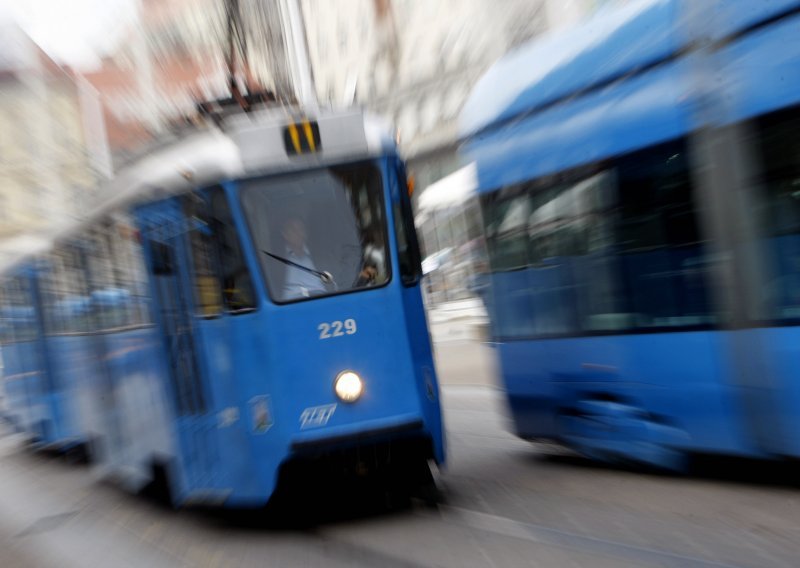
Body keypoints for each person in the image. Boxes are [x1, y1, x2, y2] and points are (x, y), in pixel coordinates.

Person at [280, 217, 328, 300]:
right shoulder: (276, 261)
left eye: (301, 229)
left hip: (321, 299)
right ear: (285, 234)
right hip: (291, 303)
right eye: (293, 230)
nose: (298, 233)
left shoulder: (320, 256)